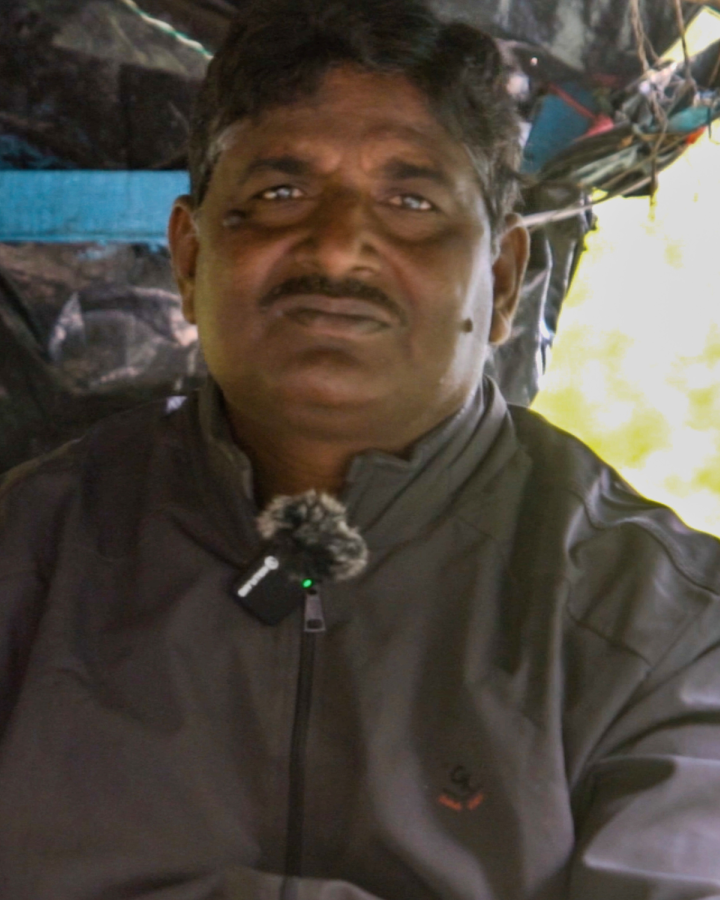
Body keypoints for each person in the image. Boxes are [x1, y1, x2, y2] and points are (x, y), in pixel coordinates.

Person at [1, 0, 719, 897]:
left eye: (412, 202)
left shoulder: (666, 630)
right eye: (279, 195)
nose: (339, 248)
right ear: (188, 260)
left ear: (501, 281)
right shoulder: (27, 564)